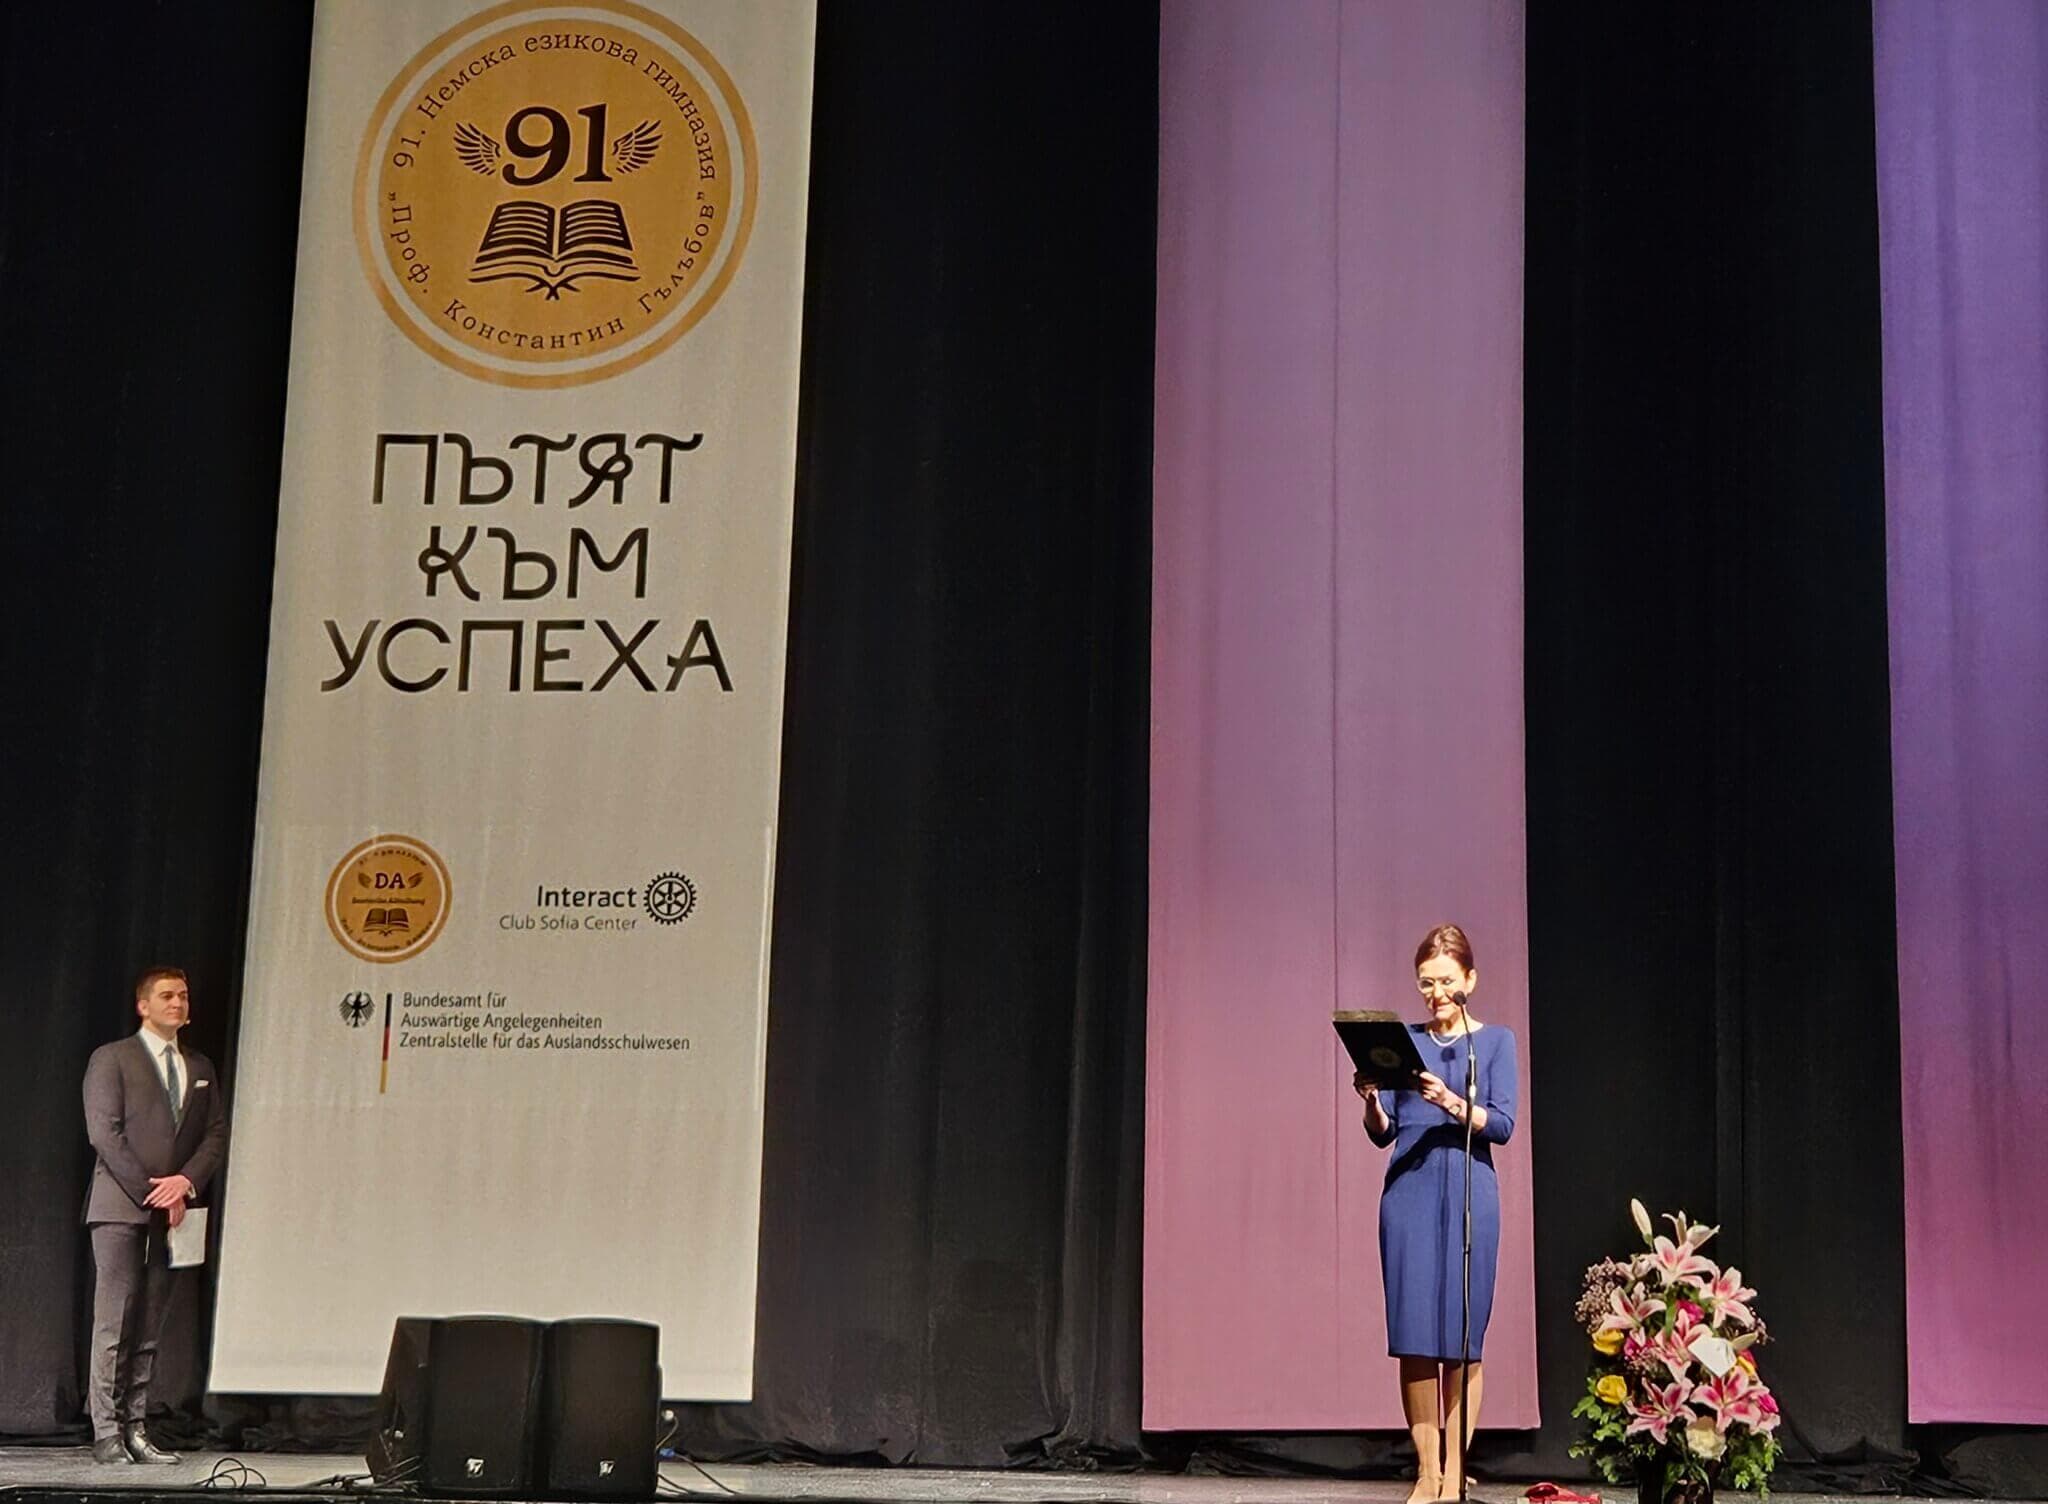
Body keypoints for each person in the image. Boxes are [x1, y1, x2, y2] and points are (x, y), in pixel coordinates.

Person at [1354, 924, 1517, 1503]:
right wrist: (1372, 1100)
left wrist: (1451, 1102)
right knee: (1418, 1336)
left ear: (1469, 980)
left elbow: (1502, 1123)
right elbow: (1384, 1135)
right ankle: (1427, 1471)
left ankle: (1455, 1471)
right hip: (1409, 1198)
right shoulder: (1406, 1043)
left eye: (1447, 981)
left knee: (1463, 1338)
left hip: (1471, 1194)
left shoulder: (1494, 1043)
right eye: (1427, 983)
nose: (1436, 993)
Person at [81, 966, 230, 1465]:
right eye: (167, 996)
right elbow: (105, 1133)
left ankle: (136, 1427)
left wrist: (184, 1184)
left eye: (184, 996)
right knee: (114, 1322)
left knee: (149, 1327)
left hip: (177, 1211)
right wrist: (153, 1192)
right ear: (143, 1005)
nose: (178, 1003)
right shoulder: (113, 1059)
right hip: (121, 1207)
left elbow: (214, 1135)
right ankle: (106, 1431)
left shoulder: (201, 1065)